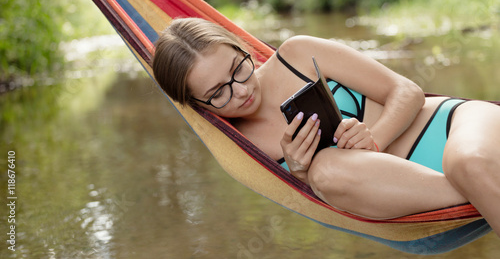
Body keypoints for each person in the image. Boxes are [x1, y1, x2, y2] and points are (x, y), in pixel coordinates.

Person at [152, 17, 500, 237]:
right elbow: (331, 196)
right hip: (422, 195)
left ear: (241, 47)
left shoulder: (297, 55)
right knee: (326, 170)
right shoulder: (240, 148)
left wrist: (375, 137)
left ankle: (480, 185)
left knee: (468, 163)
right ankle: (482, 191)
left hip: (454, 125)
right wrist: (301, 175)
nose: (240, 90)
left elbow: (407, 91)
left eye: (238, 68)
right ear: (198, 106)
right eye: (218, 93)